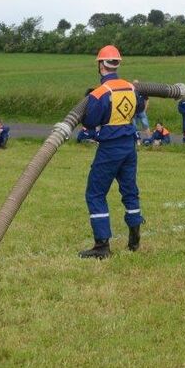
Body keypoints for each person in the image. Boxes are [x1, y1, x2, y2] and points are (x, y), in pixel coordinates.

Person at [79, 45, 144, 259]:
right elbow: (140, 108)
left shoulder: (100, 94)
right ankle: (134, 239)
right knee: (130, 191)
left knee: (95, 193)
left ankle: (102, 245)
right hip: (129, 147)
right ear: (117, 64)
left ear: (100, 65)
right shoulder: (131, 88)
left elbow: (89, 121)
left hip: (109, 148)